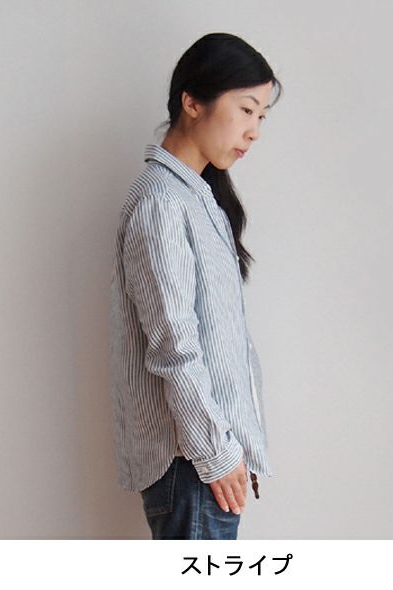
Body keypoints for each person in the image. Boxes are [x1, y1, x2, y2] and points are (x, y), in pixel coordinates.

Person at [109, 32, 283, 540]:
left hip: (206, 462)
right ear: (192, 103)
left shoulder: (197, 198)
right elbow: (174, 347)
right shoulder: (162, 203)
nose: (254, 131)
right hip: (194, 464)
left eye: (262, 117)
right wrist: (217, 452)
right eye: (246, 109)